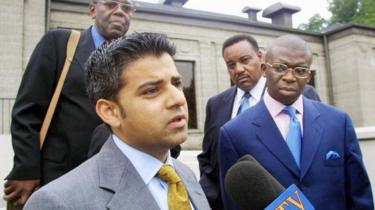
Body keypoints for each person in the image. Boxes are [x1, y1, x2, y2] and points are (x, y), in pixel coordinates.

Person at [23, 32, 211, 210]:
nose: (178, 99)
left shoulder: (185, 175)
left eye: (177, 84)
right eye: (152, 90)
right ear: (110, 112)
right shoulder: (57, 202)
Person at [3, 0, 135, 206]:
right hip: (58, 177)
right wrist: (26, 169)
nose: (120, 12)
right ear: (92, 9)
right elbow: (27, 111)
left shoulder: (135, 61)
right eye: (111, 4)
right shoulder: (59, 43)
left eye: (127, 8)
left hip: (115, 182)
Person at [219, 34, 374, 209]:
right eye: (280, 67)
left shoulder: (339, 122)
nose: (290, 77)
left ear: (308, 76)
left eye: (300, 70)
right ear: (264, 69)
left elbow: (360, 195)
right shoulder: (234, 133)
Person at [197, 34, 320, 210]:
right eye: (231, 65)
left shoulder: (303, 94)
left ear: (261, 59)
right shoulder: (215, 104)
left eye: (245, 60)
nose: (238, 69)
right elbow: (209, 159)